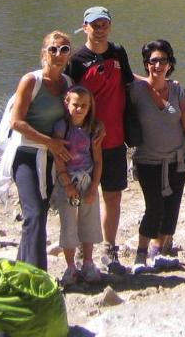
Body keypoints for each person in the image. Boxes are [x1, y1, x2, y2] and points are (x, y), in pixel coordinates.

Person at [67, 6, 135, 274]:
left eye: (104, 24)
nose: (100, 29)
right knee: (83, 197)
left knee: (113, 196)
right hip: (84, 142)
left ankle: (110, 248)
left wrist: (161, 84)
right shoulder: (76, 60)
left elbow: (129, 83)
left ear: (110, 25)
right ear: (84, 27)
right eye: (94, 25)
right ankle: (84, 250)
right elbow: (68, 100)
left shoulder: (118, 53)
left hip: (115, 139)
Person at [6, 31, 73, 270]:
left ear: (69, 55)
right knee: (34, 214)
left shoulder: (66, 84)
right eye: (53, 49)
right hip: (26, 155)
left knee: (39, 216)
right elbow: (17, 122)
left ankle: (22, 272)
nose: (58, 54)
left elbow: (72, 116)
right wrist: (50, 142)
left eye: (64, 49)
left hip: (50, 158)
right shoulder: (30, 81)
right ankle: (37, 277)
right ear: (43, 53)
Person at [129, 40, 185, 273]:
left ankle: (159, 251)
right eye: (153, 61)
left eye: (163, 60)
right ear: (147, 64)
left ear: (170, 64)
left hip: (177, 159)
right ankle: (140, 254)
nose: (158, 65)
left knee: (172, 208)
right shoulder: (136, 91)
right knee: (154, 207)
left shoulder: (176, 90)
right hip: (148, 160)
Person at [52, 86, 104, 286]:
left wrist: (93, 188)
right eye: (76, 105)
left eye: (84, 106)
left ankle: (88, 262)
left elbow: (98, 161)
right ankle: (70, 266)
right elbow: (58, 158)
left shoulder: (92, 129)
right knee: (68, 223)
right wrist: (66, 183)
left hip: (88, 180)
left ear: (90, 107)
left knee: (88, 221)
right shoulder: (61, 128)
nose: (80, 109)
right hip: (68, 183)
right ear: (67, 103)